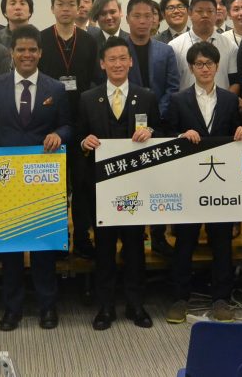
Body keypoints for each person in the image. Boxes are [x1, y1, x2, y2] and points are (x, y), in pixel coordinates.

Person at [0, 25, 73, 332]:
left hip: (43, 177)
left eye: (32, 50)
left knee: (44, 246)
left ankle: (47, 306)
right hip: (6, 178)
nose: (27, 55)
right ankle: (12, 308)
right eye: (21, 50)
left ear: (40, 53)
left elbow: (68, 125)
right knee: (11, 248)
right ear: (12, 53)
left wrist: (59, 135)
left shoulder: (55, 88)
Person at [164, 41, 242, 324]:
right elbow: (166, 134)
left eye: (209, 64)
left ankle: (221, 299)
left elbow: (240, 132)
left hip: (220, 183)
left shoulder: (230, 100)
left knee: (222, 241)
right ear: (191, 68)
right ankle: (179, 298)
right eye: (199, 64)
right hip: (188, 183)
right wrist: (180, 135)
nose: (204, 68)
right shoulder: (178, 100)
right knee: (185, 242)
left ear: (217, 66)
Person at [78, 36, 160, 330]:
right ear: (102, 64)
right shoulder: (88, 98)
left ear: (131, 62)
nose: (117, 64)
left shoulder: (146, 97)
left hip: (135, 185)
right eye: (111, 59)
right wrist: (84, 142)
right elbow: (78, 137)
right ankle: (105, 306)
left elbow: (161, 132)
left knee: (135, 246)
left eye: (122, 58)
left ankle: (136, 305)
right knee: (104, 247)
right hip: (101, 187)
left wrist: (151, 132)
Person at [38, 0, 102, 258]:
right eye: (60, 4)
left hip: (83, 122)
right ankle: (57, 236)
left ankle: (82, 237)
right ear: (52, 8)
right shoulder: (41, 39)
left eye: (71, 4)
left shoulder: (89, 41)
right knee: (54, 184)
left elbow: (97, 81)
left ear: (79, 8)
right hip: (50, 123)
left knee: (83, 182)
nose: (66, 9)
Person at [123, 0, 181, 257]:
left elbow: (172, 87)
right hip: (126, 127)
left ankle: (158, 235)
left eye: (148, 16)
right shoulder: (119, 49)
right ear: (128, 18)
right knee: (130, 184)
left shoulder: (165, 50)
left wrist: (157, 115)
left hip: (160, 125)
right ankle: (131, 239)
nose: (143, 21)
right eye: (137, 16)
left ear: (155, 19)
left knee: (159, 183)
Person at [170, 0, 239, 95]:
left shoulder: (230, 46)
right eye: (200, 11)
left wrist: (225, 102)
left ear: (216, 14)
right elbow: (171, 85)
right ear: (190, 13)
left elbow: (235, 82)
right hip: (186, 104)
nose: (205, 15)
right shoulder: (174, 46)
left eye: (210, 11)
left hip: (221, 103)